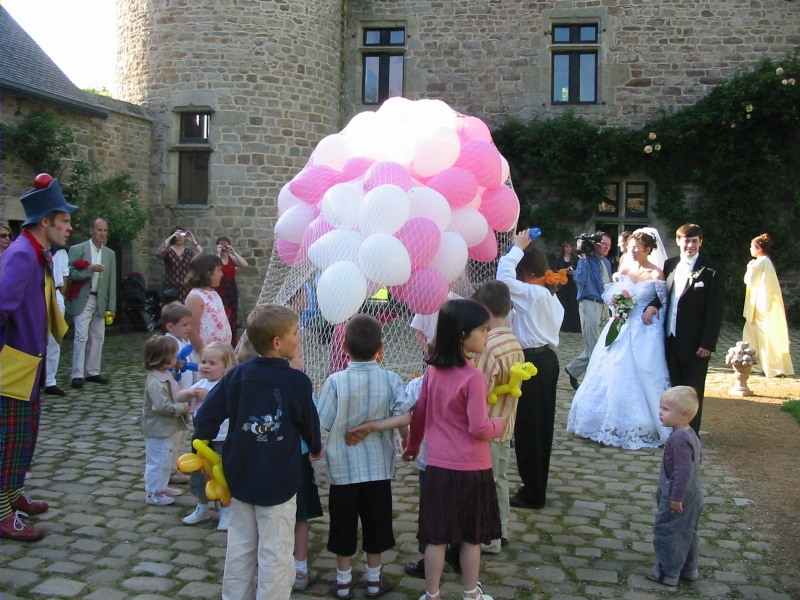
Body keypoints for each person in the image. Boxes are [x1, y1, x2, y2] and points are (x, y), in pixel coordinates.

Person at [193, 303, 322, 600]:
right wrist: (315, 448)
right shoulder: (296, 381)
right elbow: (309, 423)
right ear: (278, 343)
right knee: (275, 551)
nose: (299, 337)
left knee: (240, 548)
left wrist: (200, 446)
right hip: (279, 480)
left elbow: (206, 416)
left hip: (240, 475)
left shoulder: (238, 376)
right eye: (294, 332)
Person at [402, 299, 505, 600]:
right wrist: (500, 426)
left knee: (437, 537)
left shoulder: (432, 372)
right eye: (483, 331)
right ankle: (470, 594)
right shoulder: (474, 377)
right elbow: (479, 427)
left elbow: (419, 415)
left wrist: (412, 446)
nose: (487, 336)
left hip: (437, 467)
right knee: (471, 538)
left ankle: (431, 594)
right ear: (463, 335)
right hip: (472, 468)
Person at [0, 177, 75, 541]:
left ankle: (13, 495)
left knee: (22, 438)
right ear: (45, 221)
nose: (70, 227)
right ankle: (1, 512)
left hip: (29, 364)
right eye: (64, 220)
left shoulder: (36, 252)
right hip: (11, 367)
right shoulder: (20, 254)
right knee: (6, 441)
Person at [317, 314, 411, 599]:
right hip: (378, 468)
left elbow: (323, 421)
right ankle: (373, 579)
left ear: (344, 347)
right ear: (381, 346)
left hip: (343, 468)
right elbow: (404, 416)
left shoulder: (335, 382)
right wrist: (405, 438)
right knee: (376, 522)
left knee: (343, 523)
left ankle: (343, 581)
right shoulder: (391, 379)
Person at [566, 229, 671, 449]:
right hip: (620, 324)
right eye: (630, 247)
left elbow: (662, 302)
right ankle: (599, 420)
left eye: (637, 248)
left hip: (643, 329)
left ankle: (641, 422)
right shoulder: (624, 267)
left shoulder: (656, 274)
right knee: (608, 369)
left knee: (636, 372)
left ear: (648, 250)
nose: (632, 251)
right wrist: (618, 305)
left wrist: (653, 306)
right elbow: (614, 294)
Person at [496, 232, 564, 510]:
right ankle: (534, 485)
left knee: (530, 430)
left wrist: (515, 249)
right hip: (543, 361)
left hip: (533, 363)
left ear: (524, 271)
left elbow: (503, 281)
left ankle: (534, 492)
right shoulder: (546, 295)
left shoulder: (534, 293)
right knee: (537, 428)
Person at [644, 224, 724, 434]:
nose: (690, 245)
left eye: (694, 240)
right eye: (686, 240)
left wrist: (707, 343)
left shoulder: (712, 271)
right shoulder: (670, 265)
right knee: (673, 388)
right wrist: (653, 304)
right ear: (678, 241)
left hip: (695, 342)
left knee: (692, 391)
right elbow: (664, 294)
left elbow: (715, 311)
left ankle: (690, 435)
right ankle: (673, 432)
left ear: (700, 242)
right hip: (670, 338)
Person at [472, 281, 524, 552]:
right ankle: (501, 526)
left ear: (483, 309)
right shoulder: (513, 339)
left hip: (489, 425)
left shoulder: (488, 345)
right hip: (507, 423)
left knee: (485, 482)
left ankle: (488, 537)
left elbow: (478, 389)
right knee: (499, 478)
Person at [648, 386, 704, 587]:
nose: (660, 412)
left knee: (669, 532)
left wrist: (676, 497)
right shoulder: (690, 434)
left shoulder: (678, 439)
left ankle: (667, 573)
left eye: (665, 409)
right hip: (694, 494)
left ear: (684, 414)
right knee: (687, 532)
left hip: (679, 494)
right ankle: (689, 569)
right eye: (661, 407)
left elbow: (683, 471)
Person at [182, 342, 236, 529]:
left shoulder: (226, 386)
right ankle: (201, 508)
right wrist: (189, 392)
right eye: (203, 361)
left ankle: (226, 510)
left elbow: (230, 405)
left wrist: (209, 398)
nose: (205, 366)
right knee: (199, 474)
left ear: (226, 366)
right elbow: (179, 396)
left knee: (221, 475)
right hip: (201, 438)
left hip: (221, 438)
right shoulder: (201, 383)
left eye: (212, 363)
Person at [287, 347, 324, 592]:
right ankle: (300, 567)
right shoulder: (301, 386)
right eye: (300, 356)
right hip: (298, 458)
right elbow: (313, 419)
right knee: (300, 517)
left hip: (274, 460)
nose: (304, 360)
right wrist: (315, 447)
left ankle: (290, 565)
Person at [66, 218, 117, 389]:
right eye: (99, 230)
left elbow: (111, 281)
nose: (102, 233)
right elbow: (70, 273)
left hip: (100, 300)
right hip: (83, 297)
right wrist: (89, 270)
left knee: (98, 336)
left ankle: (93, 371)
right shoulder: (77, 249)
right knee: (81, 336)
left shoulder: (110, 254)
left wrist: (112, 305)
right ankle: (77, 374)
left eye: (104, 230)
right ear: (91, 231)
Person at [141, 335, 192, 506]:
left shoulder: (165, 374)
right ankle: (153, 492)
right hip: (158, 428)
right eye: (173, 355)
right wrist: (180, 409)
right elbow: (162, 405)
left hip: (166, 428)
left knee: (165, 459)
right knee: (157, 461)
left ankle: (161, 486)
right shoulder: (155, 381)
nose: (176, 358)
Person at [564, 232, 612, 390]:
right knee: (595, 346)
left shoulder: (606, 262)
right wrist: (582, 257)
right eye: (603, 243)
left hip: (604, 305)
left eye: (609, 245)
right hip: (589, 303)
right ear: (595, 244)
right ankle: (595, 385)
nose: (606, 247)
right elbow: (579, 280)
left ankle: (573, 369)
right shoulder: (586, 260)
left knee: (601, 345)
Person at [742, 234, 794, 378]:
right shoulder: (764, 261)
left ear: (758, 248)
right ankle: (758, 363)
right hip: (759, 304)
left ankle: (766, 365)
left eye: (752, 247)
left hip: (760, 306)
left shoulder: (760, 261)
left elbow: (749, 280)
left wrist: (749, 267)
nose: (750, 249)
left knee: (762, 333)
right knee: (757, 333)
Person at [185, 253, 232, 353]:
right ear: (207, 273)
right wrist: (203, 354)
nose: (221, 274)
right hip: (206, 356)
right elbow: (192, 330)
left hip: (219, 354)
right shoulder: (195, 298)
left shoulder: (214, 293)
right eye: (218, 270)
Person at [44, 245, 70, 396]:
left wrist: (60, 293)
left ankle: (50, 381)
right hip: (39, 292)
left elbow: (64, 274)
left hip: (55, 292)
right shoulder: (35, 248)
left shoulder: (60, 251)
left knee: (54, 340)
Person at [216, 235, 248, 346]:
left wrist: (233, 252)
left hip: (231, 289)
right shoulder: (216, 258)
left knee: (232, 315)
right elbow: (214, 266)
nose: (224, 246)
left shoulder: (231, 259)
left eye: (226, 244)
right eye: (221, 244)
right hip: (219, 289)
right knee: (221, 314)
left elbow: (244, 264)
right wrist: (219, 253)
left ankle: (232, 341)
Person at [156, 226, 202, 302]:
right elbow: (159, 253)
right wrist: (171, 237)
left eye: (182, 235)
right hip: (171, 288)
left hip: (186, 288)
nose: (179, 237)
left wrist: (193, 240)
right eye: (177, 235)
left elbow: (201, 256)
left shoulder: (189, 252)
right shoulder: (168, 251)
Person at [554, 242, 580, 333]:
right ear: (564, 248)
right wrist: (562, 271)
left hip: (572, 282)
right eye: (567, 247)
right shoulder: (559, 258)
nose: (569, 249)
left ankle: (573, 326)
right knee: (563, 303)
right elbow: (555, 270)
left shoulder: (575, 258)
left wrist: (574, 272)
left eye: (570, 247)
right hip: (562, 284)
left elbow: (579, 269)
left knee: (572, 303)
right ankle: (563, 325)